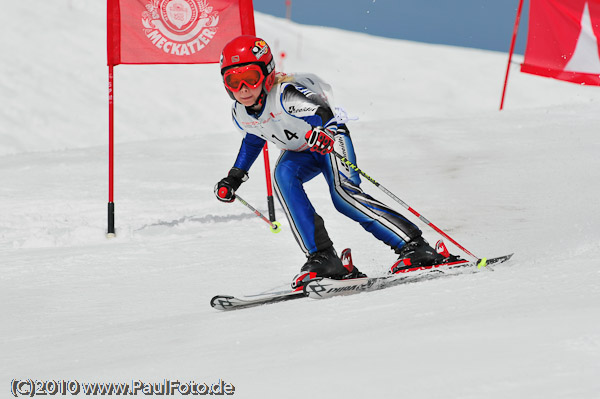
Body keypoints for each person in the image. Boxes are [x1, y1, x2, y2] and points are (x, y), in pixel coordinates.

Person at [215, 35, 460, 284]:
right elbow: (254, 139)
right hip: (301, 152)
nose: (243, 88)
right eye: (233, 81)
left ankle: (415, 246)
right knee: (283, 176)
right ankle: (323, 258)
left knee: (343, 196)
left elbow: (322, 111)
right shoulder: (240, 113)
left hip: (328, 139)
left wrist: (322, 132)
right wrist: (234, 177)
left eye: (250, 78)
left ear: (267, 74)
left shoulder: (284, 94)